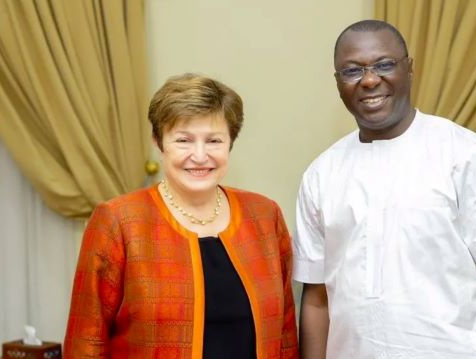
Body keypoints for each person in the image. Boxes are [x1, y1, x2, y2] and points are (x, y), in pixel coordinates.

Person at [293, 20, 476, 359]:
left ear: (410, 69)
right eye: (352, 71)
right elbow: (317, 300)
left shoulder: (466, 155)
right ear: (338, 83)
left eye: (385, 64)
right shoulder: (321, 174)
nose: (369, 80)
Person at [64, 73, 299, 358]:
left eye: (213, 140)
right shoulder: (119, 221)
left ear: (230, 143)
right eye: (183, 140)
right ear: (158, 141)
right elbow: (85, 343)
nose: (200, 156)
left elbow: (285, 337)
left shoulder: (264, 216)